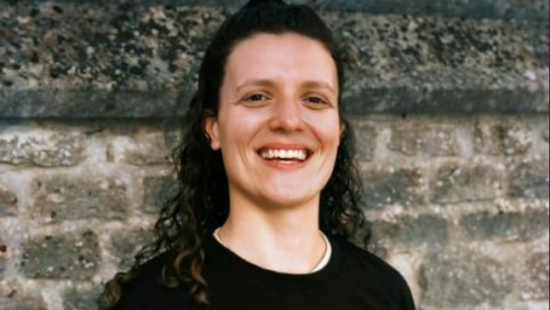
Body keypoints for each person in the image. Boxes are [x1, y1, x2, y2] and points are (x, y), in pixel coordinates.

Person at [99, 0, 417, 309]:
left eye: (315, 99)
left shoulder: (386, 292)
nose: (289, 120)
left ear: (338, 129)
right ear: (214, 128)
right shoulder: (150, 300)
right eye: (257, 96)